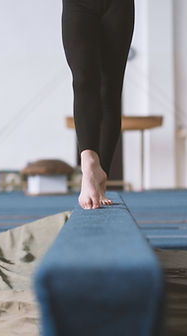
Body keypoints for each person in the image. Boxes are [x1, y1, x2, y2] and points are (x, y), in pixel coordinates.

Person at [62, 0, 134, 209]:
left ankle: (101, 176)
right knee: (83, 79)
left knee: (110, 89)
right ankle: (90, 164)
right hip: (78, 4)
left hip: (118, 5)